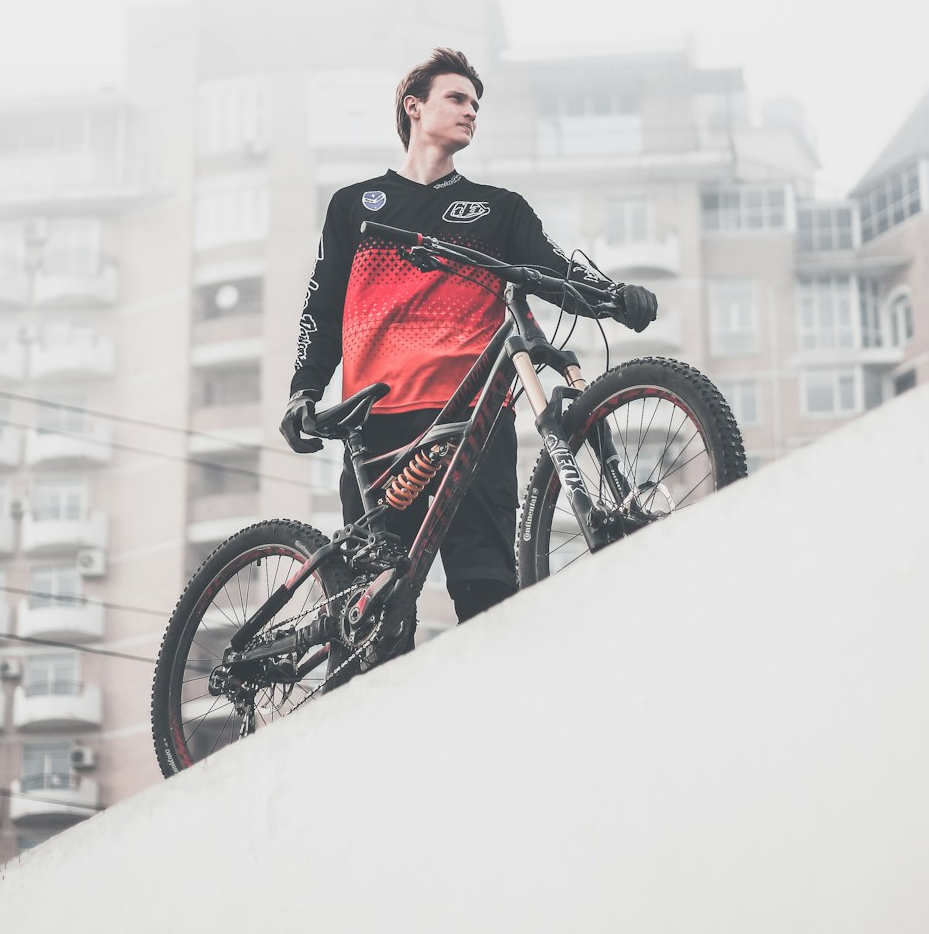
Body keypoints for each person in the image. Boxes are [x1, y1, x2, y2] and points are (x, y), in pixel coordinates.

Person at [281, 47, 658, 628]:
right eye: (457, 98)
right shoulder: (353, 206)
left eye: (476, 104)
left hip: (474, 414)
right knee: (373, 610)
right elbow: (321, 306)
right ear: (414, 106)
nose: (470, 112)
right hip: (377, 420)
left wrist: (613, 298)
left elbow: (555, 272)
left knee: (488, 581)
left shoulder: (498, 210)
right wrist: (303, 389)